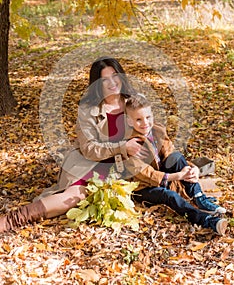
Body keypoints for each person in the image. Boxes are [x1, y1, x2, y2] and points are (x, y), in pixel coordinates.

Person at [0, 56, 145, 233]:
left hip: (122, 165)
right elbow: (89, 149)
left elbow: (153, 131)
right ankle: (12, 220)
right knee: (74, 197)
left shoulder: (136, 101)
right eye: (104, 79)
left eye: (115, 76)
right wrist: (122, 147)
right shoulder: (88, 109)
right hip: (89, 163)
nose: (112, 82)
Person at [124, 94, 228, 235]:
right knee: (169, 195)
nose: (145, 123)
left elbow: (171, 153)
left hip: (165, 176)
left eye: (148, 117)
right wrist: (177, 176)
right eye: (138, 120)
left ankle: (199, 198)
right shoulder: (130, 144)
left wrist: (192, 168)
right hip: (144, 188)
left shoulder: (157, 130)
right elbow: (147, 174)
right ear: (129, 121)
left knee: (177, 157)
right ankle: (207, 220)